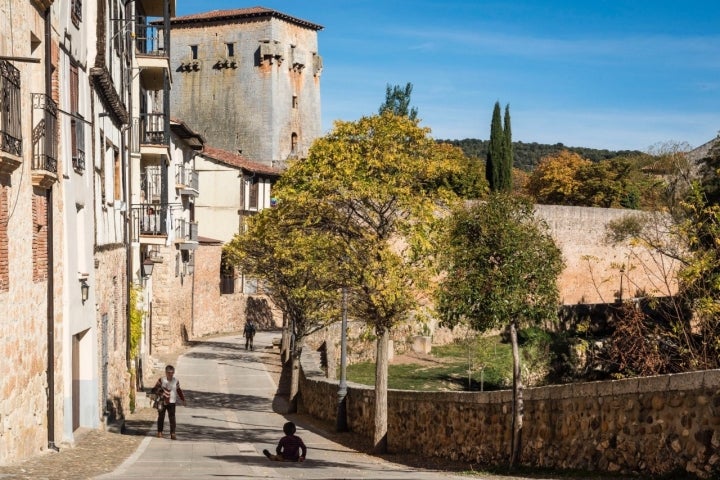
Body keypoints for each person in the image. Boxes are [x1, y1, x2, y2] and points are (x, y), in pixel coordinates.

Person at [153, 365, 186, 440]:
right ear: (166, 372)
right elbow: (155, 389)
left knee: (172, 418)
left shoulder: (176, 381)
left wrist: (183, 399)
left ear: (173, 373)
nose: (170, 374)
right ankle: (159, 432)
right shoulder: (161, 380)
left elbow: (179, 390)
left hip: (172, 402)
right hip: (162, 401)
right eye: (169, 373)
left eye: (172, 373)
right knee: (161, 417)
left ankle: (173, 433)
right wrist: (161, 392)